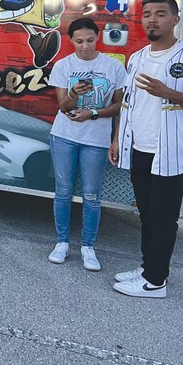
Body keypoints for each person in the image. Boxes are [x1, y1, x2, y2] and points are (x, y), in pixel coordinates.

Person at [110, 0, 183, 298]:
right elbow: (128, 103)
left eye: (160, 14)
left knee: (165, 218)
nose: (152, 20)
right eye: (147, 15)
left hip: (172, 151)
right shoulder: (138, 57)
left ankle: (156, 281)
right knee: (147, 214)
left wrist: (167, 92)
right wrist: (118, 139)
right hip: (140, 148)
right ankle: (148, 268)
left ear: (175, 19)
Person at [46, 17, 125, 271]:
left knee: (91, 195)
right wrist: (73, 94)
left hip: (96, 140)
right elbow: (63, 107)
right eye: (79, 41)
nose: (85, 46)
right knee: (64, 191)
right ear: (71, 40)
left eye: (90, 40)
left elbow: (119, 107)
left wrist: (94, 115)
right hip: (64, 136)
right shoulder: (63, 65)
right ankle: (62, 243)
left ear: (97, 37)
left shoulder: (113, 67)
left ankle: (88, 247)